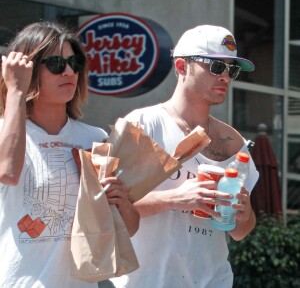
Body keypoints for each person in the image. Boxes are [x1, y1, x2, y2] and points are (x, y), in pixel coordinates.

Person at [109, 25, 259, 288]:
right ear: (181, 67)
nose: (225, 76)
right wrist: (175, 198)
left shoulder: (233, 142)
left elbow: (240, 231)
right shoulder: (144, 124)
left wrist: (243, 214)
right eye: (215, 67)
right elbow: (109, 210)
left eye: (231, 69)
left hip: (214, 281)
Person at [0, 21, 139, 288]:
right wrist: (16, 91)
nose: (68, 72)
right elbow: (7, 172)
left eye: (74, 63)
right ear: (29, 71)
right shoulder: (5, 133)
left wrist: (121, 201)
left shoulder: (94, 138)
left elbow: (128, 228)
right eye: (55, 64)